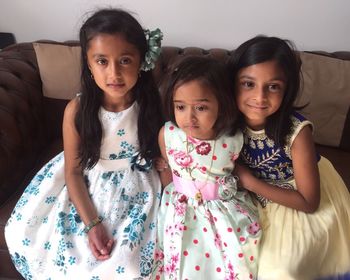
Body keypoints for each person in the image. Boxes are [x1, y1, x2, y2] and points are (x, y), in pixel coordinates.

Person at [5, 8, 164, 279]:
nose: (114, 72)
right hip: (87, 184)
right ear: (89, 64)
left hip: (138, 188)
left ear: (141, 61)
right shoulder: (77, 110)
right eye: (102, 61)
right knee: (59, 249)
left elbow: (162, 149)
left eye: (125, 60)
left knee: (129, 263)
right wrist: (92, 224)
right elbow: (73, 172)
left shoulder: (151, 104)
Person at [228, 35, 350, 280]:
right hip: (254, 198)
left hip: (300, 197)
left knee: (279, 269)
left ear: (287, 89)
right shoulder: (228, 119)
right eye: (248, 84)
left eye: (273, 86)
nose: (259, 97)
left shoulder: (297, 132)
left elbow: (309, 201)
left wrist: (250, 182)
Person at [152, 56, 262, 280]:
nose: (189, 117)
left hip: (223, 212)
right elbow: (170, 173)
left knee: (230, 262)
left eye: (201, 107)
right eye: (180, 107)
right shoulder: (168, 134)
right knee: (186, 263)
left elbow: (239, 175)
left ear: (221, 104)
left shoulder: (233, 139)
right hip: (182, 209)